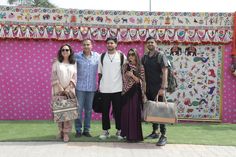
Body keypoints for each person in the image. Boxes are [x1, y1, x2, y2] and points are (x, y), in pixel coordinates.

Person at [141, 36, 168, 146]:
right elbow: (143, 74)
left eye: (152, 42)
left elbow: (165, 70)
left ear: (156, 44)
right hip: (149, 88)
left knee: (161, 111)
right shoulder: (145, 57)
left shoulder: (160, 56)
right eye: (148, 43)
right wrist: (143, 89)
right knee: (152, 109)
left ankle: (164, 135)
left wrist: (163, 87)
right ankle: (155, 132)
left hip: (159, 87)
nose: (150, 44)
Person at [98, 37, 126, 140]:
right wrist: (99, 86)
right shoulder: (102, 56)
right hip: (105, 88)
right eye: (108, 43)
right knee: (105, 111)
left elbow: (125, 72)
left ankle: (119, 130)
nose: (109, 45)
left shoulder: (122, 56)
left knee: (118, 111)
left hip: (118, 88)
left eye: (112, 43)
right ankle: (105, 131)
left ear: (116, 44)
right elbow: (100, 73)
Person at [74, 39, 100, 138]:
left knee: (89, 110)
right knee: (79, 109)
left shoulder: (97, 56)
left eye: (88, 44)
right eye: (84, 44)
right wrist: (58, 60)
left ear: (91, 45)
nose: (86, 46)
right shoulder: (76, 56)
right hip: (79, 87)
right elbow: (66, 61)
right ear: (82, 46)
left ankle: (86, 130)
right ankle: (78, 130)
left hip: (91, 88)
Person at [51, 44, 77, 142]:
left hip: (70, 91)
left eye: (67, 50)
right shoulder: (56, 63)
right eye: (63, 50)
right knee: (59, 112)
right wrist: (61, 87)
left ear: (70, 51)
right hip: (58, 90)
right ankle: (60, 131)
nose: (65, 52)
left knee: (68, 112)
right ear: (60, 52)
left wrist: (68, 88)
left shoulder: (74, 63)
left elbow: (75, 76)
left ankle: (66, 133)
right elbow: (54, 76)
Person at [120, 48, 146, 142]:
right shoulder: (125, 66)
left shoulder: (140, 67)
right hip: (126, 92)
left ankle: (135, 136)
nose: (130, 56)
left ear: (136, 55)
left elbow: (140, 81)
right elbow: (123, 79)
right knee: (126, 113)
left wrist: (132, 75)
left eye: (133, 54)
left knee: (134, 114)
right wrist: (128, 72)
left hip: (135, 93)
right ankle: (127, 135)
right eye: (129, 54)